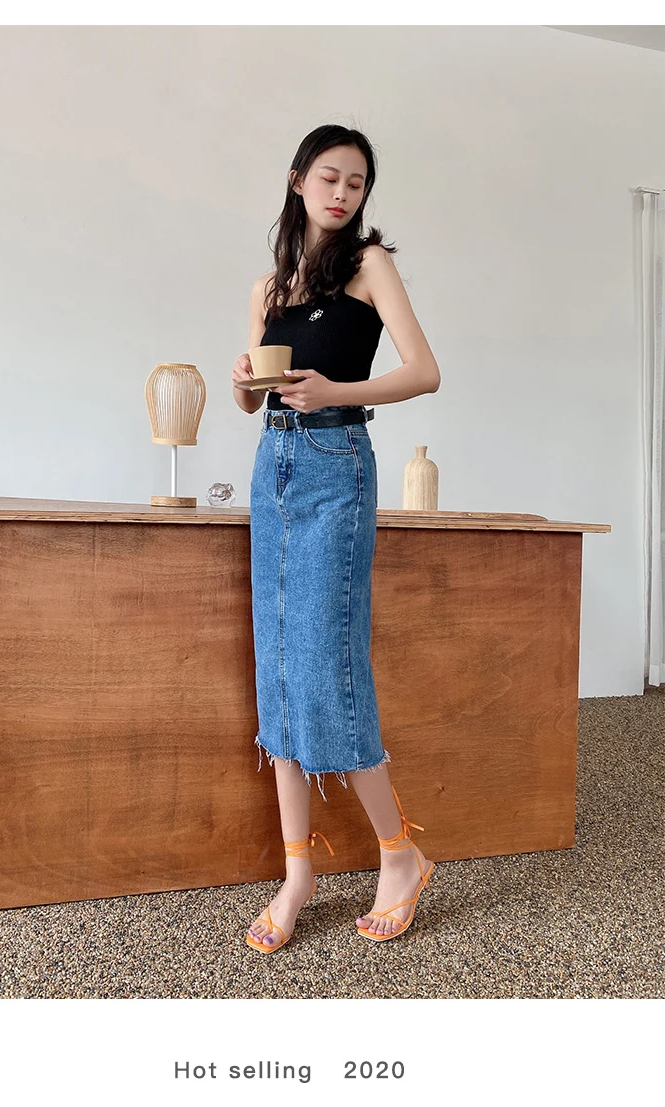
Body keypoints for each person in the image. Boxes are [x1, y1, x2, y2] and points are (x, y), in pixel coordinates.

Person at [231, 123, 441, 951]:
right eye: (329, 177)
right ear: (298, 180)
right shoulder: (269, 286)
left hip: (336, 464)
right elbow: (254, 400)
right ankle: (298, 873)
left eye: (356, 182)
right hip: (273, 466)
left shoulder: (368, 265)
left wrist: (337, 390)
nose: (342, 193)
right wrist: (245, 380)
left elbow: (424, 370)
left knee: (329, 670)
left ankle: (400, 853)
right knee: (279, 671)